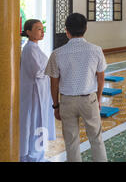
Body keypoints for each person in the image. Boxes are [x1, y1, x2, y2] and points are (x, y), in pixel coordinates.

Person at [45, 13, 107, 162]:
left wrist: (55, 106)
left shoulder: (57, 54)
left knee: (71, 142)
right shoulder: (96, 50)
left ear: (67, 30)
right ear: (85, 28)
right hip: (89, 100)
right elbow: (101, 77)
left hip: (67, 102)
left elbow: (53, 83)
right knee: (96, 139)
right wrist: (98, 99)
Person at [20, 19, 56, 162]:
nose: (42, 32)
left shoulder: (34, 47)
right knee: (34, 124)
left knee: (39, 123)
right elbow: (37, 71)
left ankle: (38, 155)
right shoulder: (29, 48)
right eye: (39, 29)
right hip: (34, 94)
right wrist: (52, 69)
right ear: (28, 32)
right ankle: (31, 156)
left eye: (42, 29)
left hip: (40, 92)